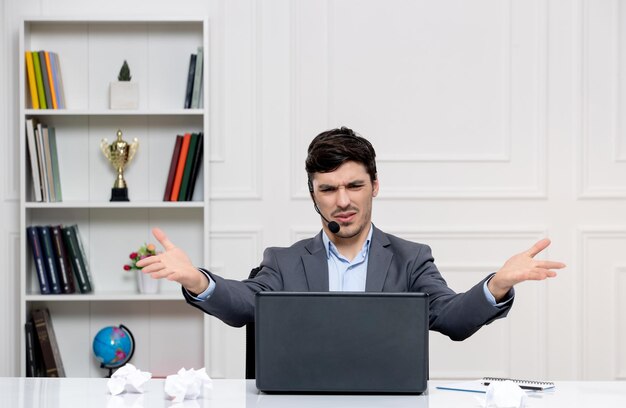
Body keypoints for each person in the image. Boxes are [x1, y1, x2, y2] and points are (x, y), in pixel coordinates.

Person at [137, 126, 565, 341]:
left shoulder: (410, 258)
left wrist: (498, 284)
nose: (342, 200)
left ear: (374, 187)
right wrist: (197, 280)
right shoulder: (283, 261)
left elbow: (450, 318)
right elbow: (245, 306)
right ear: (314, 195)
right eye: (328, 189)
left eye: (354, 186)